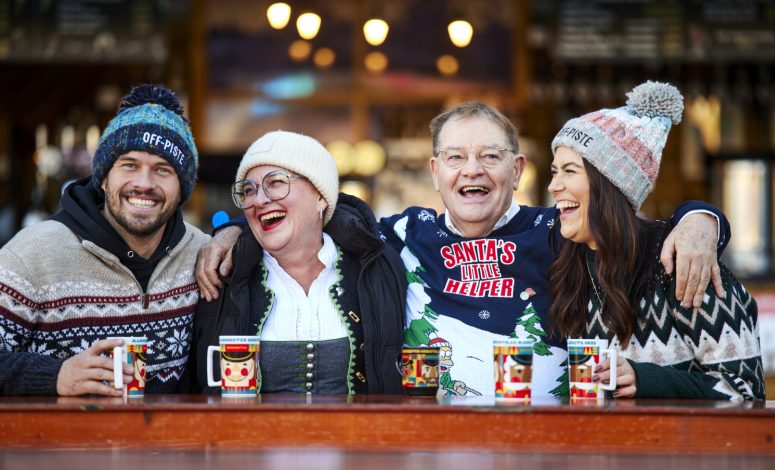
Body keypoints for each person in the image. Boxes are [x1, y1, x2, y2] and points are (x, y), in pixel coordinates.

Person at [197, 103, 728, 399]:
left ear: (517, 171)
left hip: (548, 443)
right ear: (436, 172)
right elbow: (301, 218)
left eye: (488, 156)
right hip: (429, 445)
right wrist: (228, 231)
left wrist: (702, 217)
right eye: (455, 156)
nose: (470, 169)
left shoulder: (556, 229)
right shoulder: (400, 235)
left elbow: (640, 231)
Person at [547, 81, 763, 400]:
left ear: (612, 184)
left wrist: (645, 380)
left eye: (569, 171)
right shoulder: (569, 260)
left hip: (683, 448)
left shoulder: (680, 262)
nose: (554, 186)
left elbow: (746, 389)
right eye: (554, 172)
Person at [0, 84, 210, 396]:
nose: (143, 184)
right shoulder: (34, 253)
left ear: (183, 189)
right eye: (130, 165)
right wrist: (55, 376)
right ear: (103, 177)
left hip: (171, 442)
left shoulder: (203, 254)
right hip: (63, 444)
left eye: (163, 170)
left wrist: (231, 232)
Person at [186, 131, 405, 395]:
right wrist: (229, 231)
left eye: (276, 182)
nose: (259, 199)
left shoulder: (378, 267)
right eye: (248, 190)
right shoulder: (222, 274)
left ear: (321, 197)